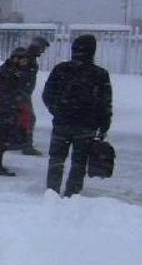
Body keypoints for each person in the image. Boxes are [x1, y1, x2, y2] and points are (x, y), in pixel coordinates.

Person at [42, 35, 112, 196]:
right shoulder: (100, 74)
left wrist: (57, 110)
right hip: (87, 126)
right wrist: (103, 125)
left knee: (56, 160)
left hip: (62, 123)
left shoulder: (61, 69)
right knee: (79, 162)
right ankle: (72, 194)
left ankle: (52, 192)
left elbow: (47, 94)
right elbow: (105, 103)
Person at [0, 47, 31, 176]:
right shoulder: (8, 71)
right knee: (4, 136)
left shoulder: (14, 70)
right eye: (24, 59)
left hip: (8, 107)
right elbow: (0, 89)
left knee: (6, 134)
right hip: (3, 108)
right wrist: (14, 98)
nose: (26, 62)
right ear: (16, 59)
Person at [18, 36, 51, 156]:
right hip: (22, 94)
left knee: (22, 119)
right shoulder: (27, 58)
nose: (42, 52)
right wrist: (22, 92)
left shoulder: (28, 57)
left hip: (23, 93)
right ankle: (26, 146)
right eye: (42, 49)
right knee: (29, 119)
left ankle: (17, 142)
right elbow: (20, 76)